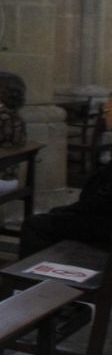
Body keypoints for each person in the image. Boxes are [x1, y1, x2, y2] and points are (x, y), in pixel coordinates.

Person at [19, 95, 112, 255]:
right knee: (53, 217)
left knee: (34, 224)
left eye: (107, 111)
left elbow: (104, 200)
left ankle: (32, 278)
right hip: (102, 216)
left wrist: (72, 210)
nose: (103, 116)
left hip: (104, 224)